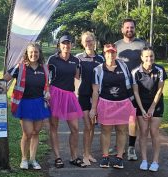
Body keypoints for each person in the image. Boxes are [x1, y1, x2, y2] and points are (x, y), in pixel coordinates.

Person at [3, 43, 51, 170]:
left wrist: (47, 93)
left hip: (39, 103)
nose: (33, 54)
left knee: (36, 132)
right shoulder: (20, 67)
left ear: (39, 54)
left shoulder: (44, 68)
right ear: (26, 53)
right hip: (24, 103)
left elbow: (47, 85)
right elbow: (4, 80)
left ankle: (33, 159)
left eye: (36, 52)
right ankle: (24, 159)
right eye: (31, 52)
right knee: (27, 133)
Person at [90, 44, 136, 169]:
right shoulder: (98, 69)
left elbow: (129, 85)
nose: (111, 55)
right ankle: (105, 157)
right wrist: (93, 109)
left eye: (113, 52)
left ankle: (119, 157)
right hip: (105, 104)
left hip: (123, 103)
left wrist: (132, 102)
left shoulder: (123, 66)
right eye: (108, 53)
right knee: (106, 131)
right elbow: (95, 91)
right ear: (104, 54)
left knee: (122, 130)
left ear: (116, 53)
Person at [47, 34, 85, 168]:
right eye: (64, 43)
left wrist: (77, 93)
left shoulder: (76, 60)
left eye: (68, 43)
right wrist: (46, 93)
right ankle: (57, 157)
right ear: (59, 45)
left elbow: (77, 77)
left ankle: (74, 157)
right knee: (54, 127)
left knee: (75, 128)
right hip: (55, 94)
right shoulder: (52, 59)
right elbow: (46, 77)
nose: (66, 46)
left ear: (71, 45)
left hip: (69, 95)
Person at [114, 18, 147, 161]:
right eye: (126, 27)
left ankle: (131, 148)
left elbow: (148, 63)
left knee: (132, 118)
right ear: (122, 29)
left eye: (131, 27)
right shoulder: (116, 45)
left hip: (136, 87)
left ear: (135, 29)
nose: (129, 30)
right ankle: (118, 146)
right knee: (117, 118)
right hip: (119, 87)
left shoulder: (142, 44)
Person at [131, 47, 167, 172]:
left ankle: (155, 161)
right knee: (143, 131)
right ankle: (144, 160)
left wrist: (152, 108)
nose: (149, 59)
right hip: (141, 104)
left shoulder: (160, 70)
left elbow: (160, 90)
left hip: (156, 104)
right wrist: (142, 109)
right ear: (141, 58)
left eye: (151, 56)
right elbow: (135, 92)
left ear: (154, 56)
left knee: (154, 131)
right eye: (146, 56)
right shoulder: (135, 72)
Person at [75, 31, 105, 166]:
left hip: (97, 96)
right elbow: (75, 77)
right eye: (86, 41)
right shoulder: (78, 58)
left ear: (95, 41)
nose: (89, 43)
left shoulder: (101, 59)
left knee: (92, 126)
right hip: (83, 96)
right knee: (87, 126)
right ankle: (85, 155)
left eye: (91, 40)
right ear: (82, 43)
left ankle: (88, 152)